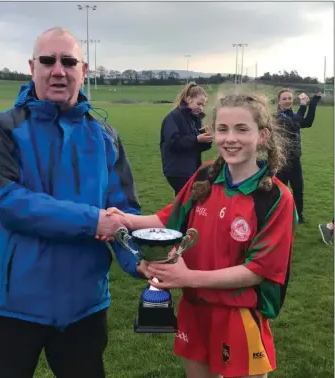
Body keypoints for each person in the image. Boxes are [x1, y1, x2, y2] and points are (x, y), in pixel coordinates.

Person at [0, 27, 149, 378]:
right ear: (32, 67)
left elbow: (124, 212)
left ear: (83, 70)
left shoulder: (105, 136)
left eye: (69, 61)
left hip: (83, 307)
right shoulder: (3, 128)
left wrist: (142, 262)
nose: (59, 70)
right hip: (15, 307)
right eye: (48, 60)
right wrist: (92, 221)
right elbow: (9, 202)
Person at [106, 92, 297, 378]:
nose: (230, 138)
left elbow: (258, 271)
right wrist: (125, 220)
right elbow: (169, 218)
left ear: (263, 135)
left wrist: (187, 278)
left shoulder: (275, 198)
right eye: (222, 129)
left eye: (242, 129)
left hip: (238, 313)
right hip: (195, 308)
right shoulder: (206, 175)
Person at [275, 88, 322, 223]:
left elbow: (307, 122)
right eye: (284, 99)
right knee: (280, 191)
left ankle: (299, 215)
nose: (288, 101)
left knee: (298, 189)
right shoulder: (277, 117)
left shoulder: (294, 115)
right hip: (280, 161)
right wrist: (303, 105)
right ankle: (280, 215)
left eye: (290, 98)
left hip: (295, 160)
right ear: (279, 101)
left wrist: (312, 105)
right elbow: (294, 122)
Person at [160, 82, 213, 196]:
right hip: (177, 170)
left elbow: (196, 146)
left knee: (186, 202)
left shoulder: (196, 119)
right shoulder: (174, 117)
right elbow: (173, 142)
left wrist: (207, 139)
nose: (201, 107)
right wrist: (196, 139)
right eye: (199, 104)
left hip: (191, 168)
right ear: (188, 99)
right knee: (187, 201)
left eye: (203, 105)